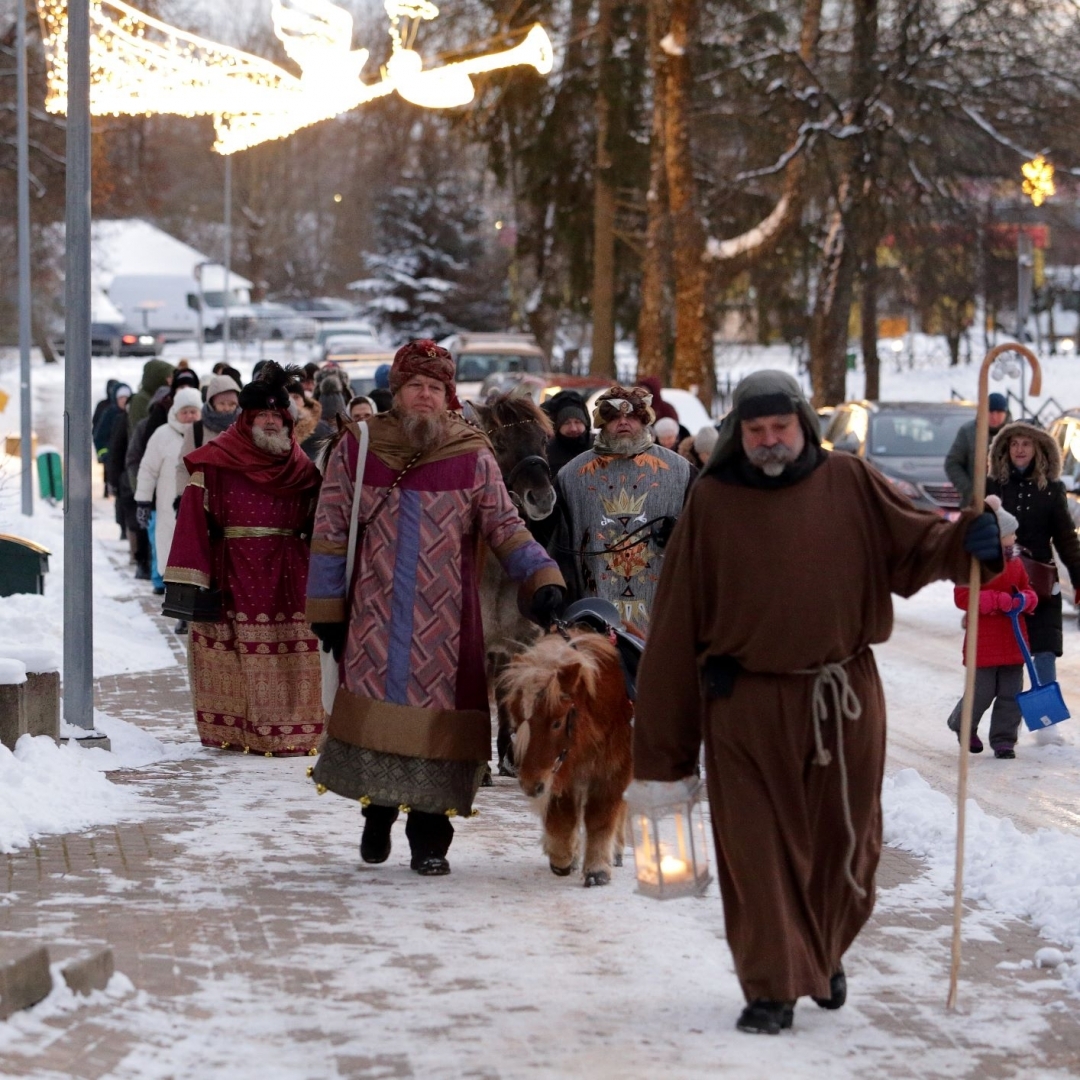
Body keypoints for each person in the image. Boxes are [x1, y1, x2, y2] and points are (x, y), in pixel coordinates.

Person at [629, 370, 1004, 1036]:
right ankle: (772, 986)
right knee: (756, 849)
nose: (769, 441)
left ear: (803, 422)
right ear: (738, 434)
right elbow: (677, 623)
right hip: (743, 702)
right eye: (755, 430)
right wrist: (664, 750)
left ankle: (821, 950)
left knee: (846, 843)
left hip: (844, 698)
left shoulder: (849, 483)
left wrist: (967, 541)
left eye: (780, 427)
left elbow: (918, 548)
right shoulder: (712, 501)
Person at [306, 340, 564, 876]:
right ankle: (376, 813)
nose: (424, 396)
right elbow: (330, 529)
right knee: (378, 721)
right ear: (397, 393)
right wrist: (326, 608)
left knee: (438, 732)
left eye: (435, 388)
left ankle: (430, 839)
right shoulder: (360, 446)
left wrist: (541, 577)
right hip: (375, 613)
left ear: (449, 395)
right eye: (414, 387)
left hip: (448, 621)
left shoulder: (472, 452)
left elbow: (505, 526)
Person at [165, 362, 325, 756]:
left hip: (292, 572)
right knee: (242, 658)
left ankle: (297, 731)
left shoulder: (302, 468)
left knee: (296, 654)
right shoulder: (215, 460)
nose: (271, 423)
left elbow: (322, 521)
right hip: (234, 570)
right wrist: (194, 581)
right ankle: (244, 732)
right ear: (247, 418)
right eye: (263, 415)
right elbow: (192, 523)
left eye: (278, 415)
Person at [551, 384, 692, 628]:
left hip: (665, 614)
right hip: (592, 614)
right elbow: (555, 545)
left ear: (645, 420)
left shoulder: (682, 472)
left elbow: (709, 532)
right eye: (614, 417)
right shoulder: (570, 476)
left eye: (632, 416)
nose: (623, 422)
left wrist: (683, 533)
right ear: (602, 423)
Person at [986, 420, 1080, 698]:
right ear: (1005, 448)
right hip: (1001, 579)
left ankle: (1046, 723)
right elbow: (977, 532)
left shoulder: (1052, 489)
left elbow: (1065, 537)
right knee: (1003, 658)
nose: (1019, 449)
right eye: (1014, 443)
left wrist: (1078, 578)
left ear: (1038, 448)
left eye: (1026, 443)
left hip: (1040, 582)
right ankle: (980, 719)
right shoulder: (992, 488)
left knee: (1045, 649)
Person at [947, 496, 1036, 758]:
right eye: (1011, 534)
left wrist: (1024, 600)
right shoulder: (974, 564)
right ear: (998, 537)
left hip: (1014, 639)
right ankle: (963, 725)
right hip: (983, 642)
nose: (1015, 537)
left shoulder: (1016, 563)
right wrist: (998, 601)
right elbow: (963, 597)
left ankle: (1004, 739)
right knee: (982, 692)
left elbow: (1028, 589)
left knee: (1011, 693)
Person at [135, 387, 202, 612]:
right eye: (186, 412)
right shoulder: (162, 435)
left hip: (200, 507)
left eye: (194, 411)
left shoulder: (207, 434)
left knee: (198, 558)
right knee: (172, 555)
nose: (190, 416)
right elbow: (147, 469)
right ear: (175, 412)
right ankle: (180, 610)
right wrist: (143, 500)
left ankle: (194, 608)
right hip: (168, 508)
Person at [175, 373, 242, 499]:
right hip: (205, 502)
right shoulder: (196, 430)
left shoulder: (244, 428)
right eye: (222, 403)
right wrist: (182, 497)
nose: (227, 408)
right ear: (212, 403)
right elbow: (184, 467)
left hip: (239, 501)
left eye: (231, 404)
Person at [945, 391, 1010, 507]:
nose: (994, 417)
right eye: (990, 411)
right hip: (977, 503)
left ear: (1005, 413)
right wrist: (969, 490)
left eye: (999, 412)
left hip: (1009, 502)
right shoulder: (968, 432)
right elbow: (952, 463)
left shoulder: (1015, 433)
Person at [541, 389, 592, 476]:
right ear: (558, 427)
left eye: (578, 422)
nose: (573, 428)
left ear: (586, 423)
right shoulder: (547, 453)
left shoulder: (601, 447)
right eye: (566, 423)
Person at [93, 381, 132, 497]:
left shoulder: (133, 414)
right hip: (113, 455)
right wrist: (104, 454)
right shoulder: (109, 414)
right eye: (121, 398)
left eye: (126, 398)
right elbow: (99, 435)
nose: (124, 401)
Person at [127, 359, 174, 432]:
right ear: (157, 378)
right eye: (168, 377)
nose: (171, 381)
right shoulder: (140, 400)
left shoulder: (162, 397)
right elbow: (140, 428)